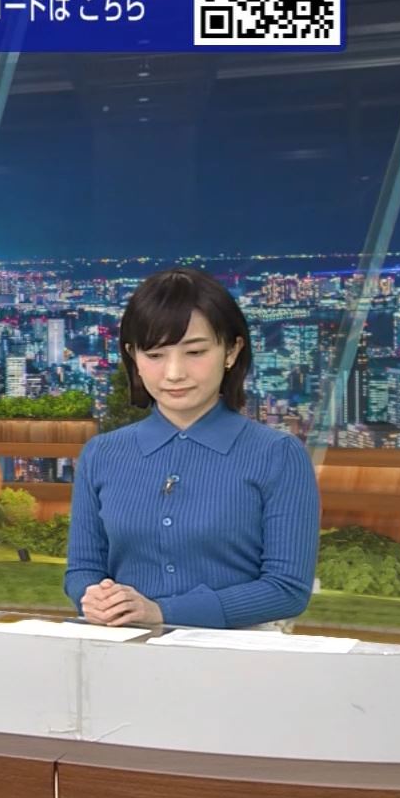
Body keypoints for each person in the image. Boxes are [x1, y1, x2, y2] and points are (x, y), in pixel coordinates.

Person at [65, 268, 318, 629]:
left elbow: (287, 589)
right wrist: (93, 596)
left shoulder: (278, 454)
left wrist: (162, 612)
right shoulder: (101, 454)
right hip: (120, 648)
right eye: (155, 355)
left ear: (231, 350)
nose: (174, 373)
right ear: (133, 357)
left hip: (235, 653)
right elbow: (83, 570)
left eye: (195, 352)